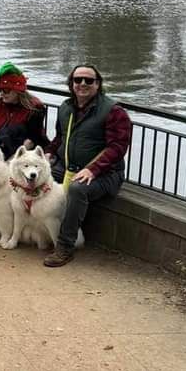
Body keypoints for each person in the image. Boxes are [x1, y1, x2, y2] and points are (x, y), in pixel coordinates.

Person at [43, 64, 131, 268]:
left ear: (98, 84)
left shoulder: (114, 111)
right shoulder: (66, 107)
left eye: (89, 80)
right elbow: (60, 138)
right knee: (33, 177)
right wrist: (48, 153)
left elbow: (118, 147)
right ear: (71, 83)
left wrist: (93, 169)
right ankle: (32, 229)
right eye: (77, 80)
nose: (82, 84)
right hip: (67, 167)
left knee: (77, 189)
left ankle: (65, 246)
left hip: (106, 173)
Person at [0, 62, 49, 158]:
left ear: (17, 90)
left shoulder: (35, 108)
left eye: (6, 90)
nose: (2, 93)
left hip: (25, 152)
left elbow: (31, 139)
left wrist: (13, 159)